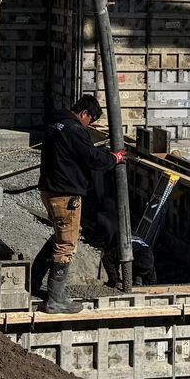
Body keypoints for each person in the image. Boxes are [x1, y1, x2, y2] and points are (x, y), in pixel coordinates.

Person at [34, 93, 120, 314]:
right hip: (65, 194)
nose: (88, 125)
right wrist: (114, 159)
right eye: (89, 120)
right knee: (66, 245)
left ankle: (34, 283)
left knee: (59, 236)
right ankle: (55, 300)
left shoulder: (56, 124)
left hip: (50, 189)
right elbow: (91, 157)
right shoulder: (74, 129)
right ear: (84, 113)